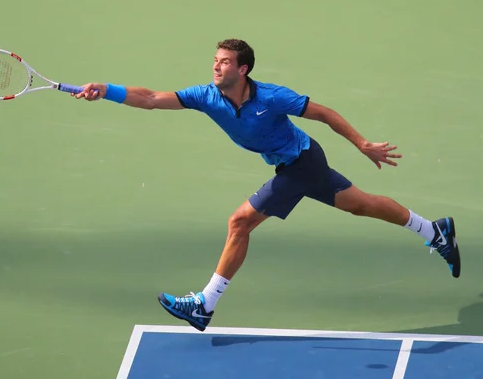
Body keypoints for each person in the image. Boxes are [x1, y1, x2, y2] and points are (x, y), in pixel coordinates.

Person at [73, 39, 461, 332]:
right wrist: (107, 90)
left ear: (242, 70)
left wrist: (361, 144)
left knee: (239, 222)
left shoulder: (272, 97)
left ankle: (205, 305)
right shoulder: (206, 97)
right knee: (362, 204)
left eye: (224, 62)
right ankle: (434, 230)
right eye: (215, 60)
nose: (216, 67)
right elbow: (153, 98)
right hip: (296, 164)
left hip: (301, 163)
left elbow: (323, 112)